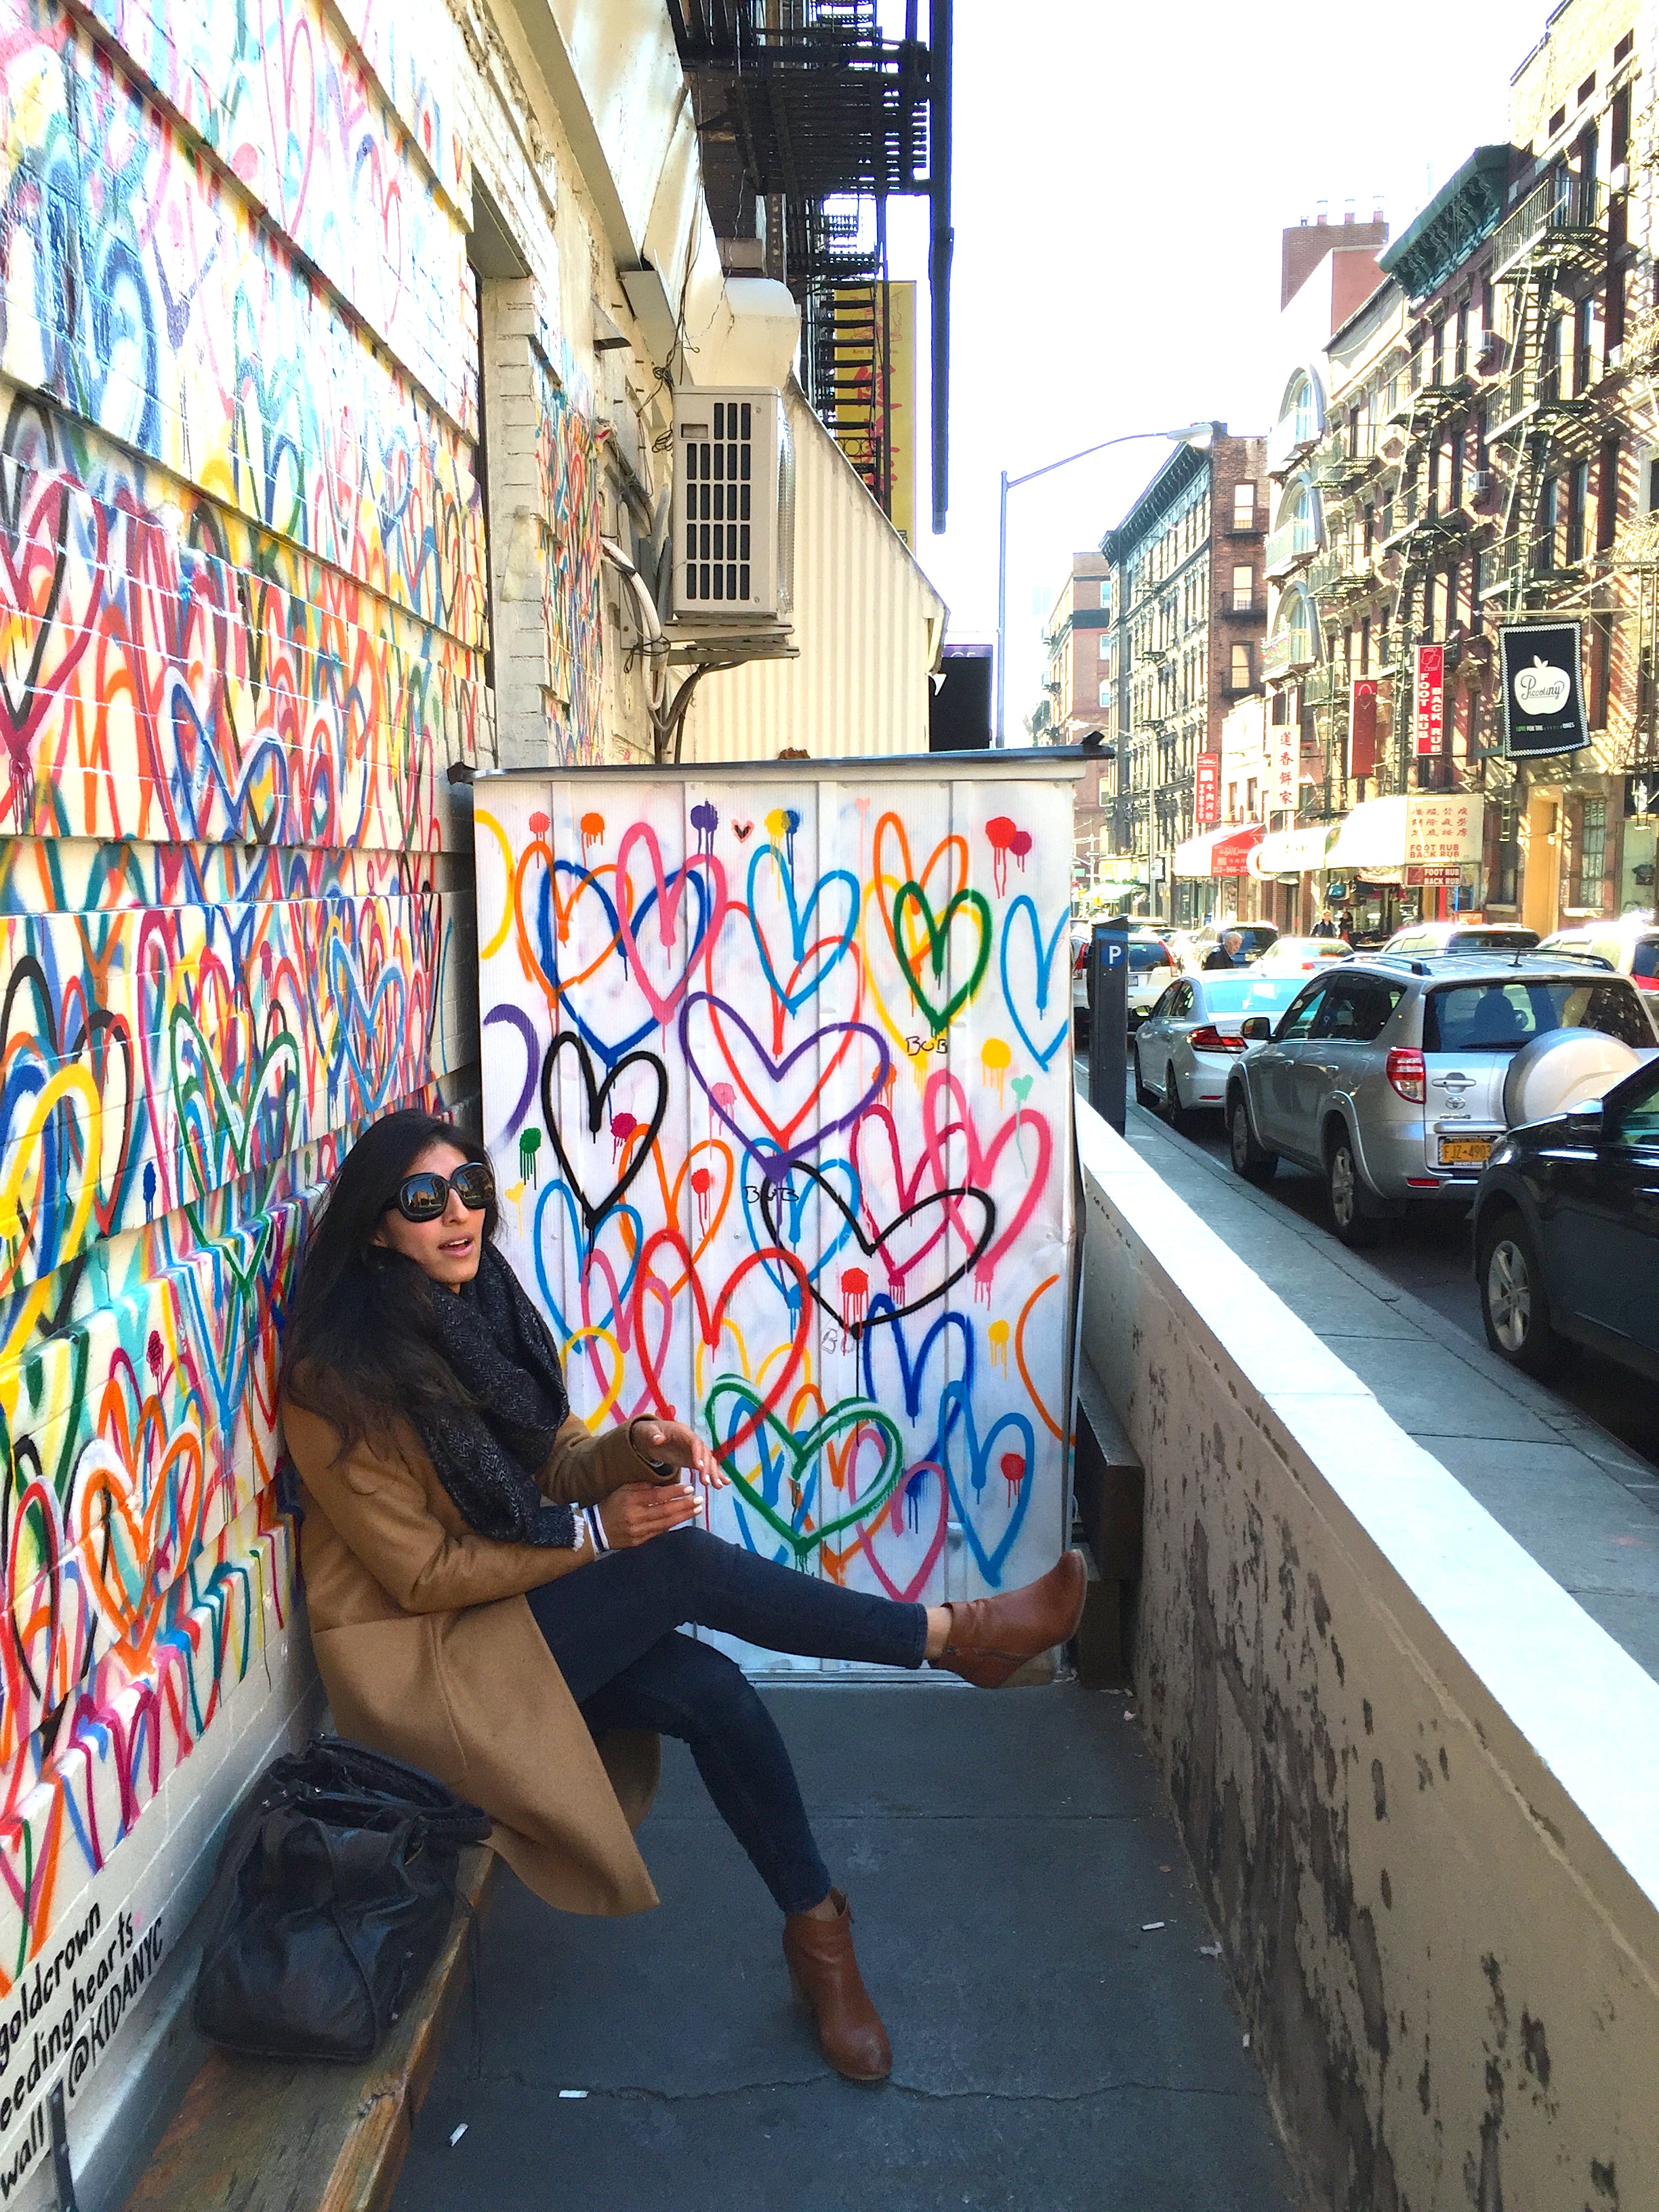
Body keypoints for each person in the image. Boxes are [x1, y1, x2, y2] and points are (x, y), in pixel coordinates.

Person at [279, 1110, 1086, 2086]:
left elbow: (558, 1459)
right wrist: (590, 1537)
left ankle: (821, 1941)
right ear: (377, 1227)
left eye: (471, 1188)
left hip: (505, 1627)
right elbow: (423, 1577)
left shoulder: (481, 1308)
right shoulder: (337, 1384)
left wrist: (641, 1445)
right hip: (434, 1672)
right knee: (683, 1566)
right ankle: (953, 1638)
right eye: (424, 1199)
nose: (458, 1215)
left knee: (716, 1696)